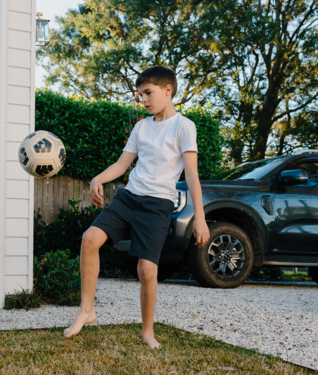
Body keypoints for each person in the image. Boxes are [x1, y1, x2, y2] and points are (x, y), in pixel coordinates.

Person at [63, 66, 210, 349]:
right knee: (90, 238)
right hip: (129, 197)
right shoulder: (141, 126)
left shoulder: (184, 126)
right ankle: (87, 310)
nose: (142, 99)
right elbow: (122, 165)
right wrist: (98, 178)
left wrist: (200, 219)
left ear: (168, 90)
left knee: (147, 271)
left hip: (157, 206)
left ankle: (147, 331)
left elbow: (191, 175)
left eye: (148, 92)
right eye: (139, 94)